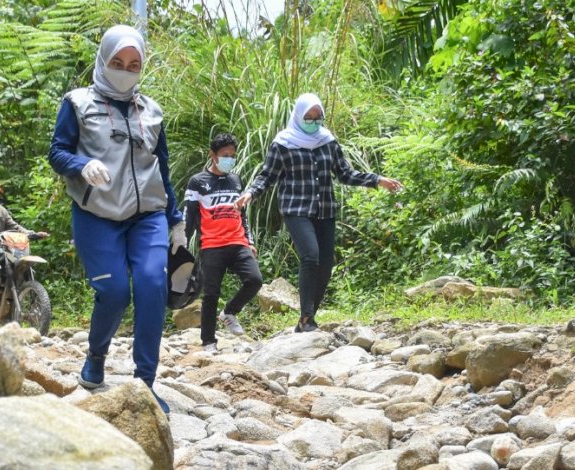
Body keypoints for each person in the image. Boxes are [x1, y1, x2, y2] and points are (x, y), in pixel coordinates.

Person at [47, 25, 183, 413]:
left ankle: (145, 383)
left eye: (133, 64)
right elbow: (57, 152)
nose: (125, 70)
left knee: (152, 284)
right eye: (117, 62)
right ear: (103, 60)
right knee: (115, 292)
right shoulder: (77, 103)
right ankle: (96, 356)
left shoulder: (151, 111)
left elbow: (162, 168)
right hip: (97, 214)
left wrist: (175, 220)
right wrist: (81, 164)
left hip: (148, 216)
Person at [235, 93, 403, 333]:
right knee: (310, 256)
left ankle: (308, 318)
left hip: (325, 209)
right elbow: (267, 175)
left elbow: (345, 173)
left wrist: (377, 180)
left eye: (318, 118)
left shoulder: (327, 141)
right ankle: (306, 318)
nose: (313, 122)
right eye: (309, 117)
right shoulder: (283, 143)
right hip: (296, 209)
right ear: (298, 116)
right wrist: (251, 193)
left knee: (325, 265)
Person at [183, 133, 263, 353]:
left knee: (255, 280)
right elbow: (188, 217)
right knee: (211, 293)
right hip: (212, 245)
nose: (229, 159)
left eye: (232, 155)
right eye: (225, 155)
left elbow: (242, 214)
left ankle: (229, 312)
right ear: (213, 155)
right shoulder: (198, 182)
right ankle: (209, 342)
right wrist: (180, 247)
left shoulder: (236, 180)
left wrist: (250, 241)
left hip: (238, 242)